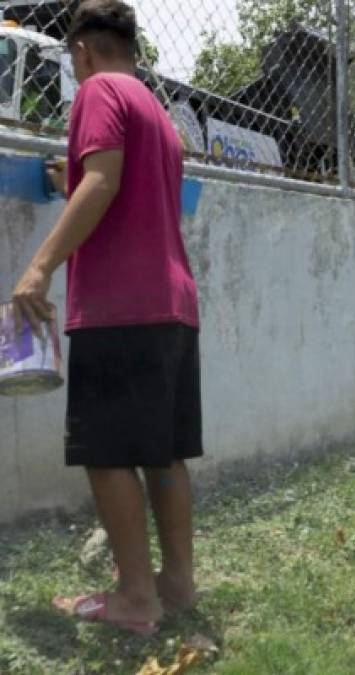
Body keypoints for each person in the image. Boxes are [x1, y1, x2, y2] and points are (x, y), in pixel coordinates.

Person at [12, 0, 202, 634]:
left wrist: (39, 267)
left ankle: (134, 599)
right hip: (172, 303)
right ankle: (175, 584)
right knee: (164, 451)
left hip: (120, 306)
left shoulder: (97, 92)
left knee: (108, 453)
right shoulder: (156, 110)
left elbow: (104, 182)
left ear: (82, 51)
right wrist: (78, 177)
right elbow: (124, 186)